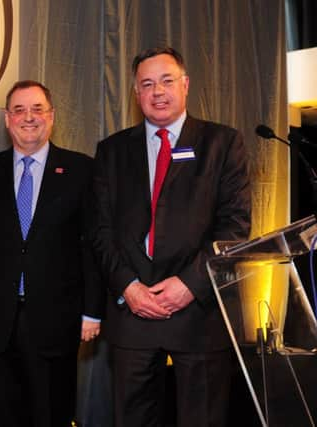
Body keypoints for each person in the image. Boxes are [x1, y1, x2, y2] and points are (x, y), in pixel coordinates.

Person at [93, 46, 251, 427]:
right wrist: (128, 286)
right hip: (133, 311)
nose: (157, 91)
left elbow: (235, 227)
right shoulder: (112, 150)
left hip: (199, 311)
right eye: (147, 84)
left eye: (166, 81)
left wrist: (189, 284)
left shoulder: (223, 143)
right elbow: (100, 230)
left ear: (186, 84)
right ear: (136, 93)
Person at [0, 80, 102, 427]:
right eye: (19, 110)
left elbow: (92, 244)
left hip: (58, 320)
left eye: (38, 109)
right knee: (4, 415)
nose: (29, 117)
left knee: (51, 414)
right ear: (7, 119)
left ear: (51, 117)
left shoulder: (81, 170)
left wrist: (92, 312)